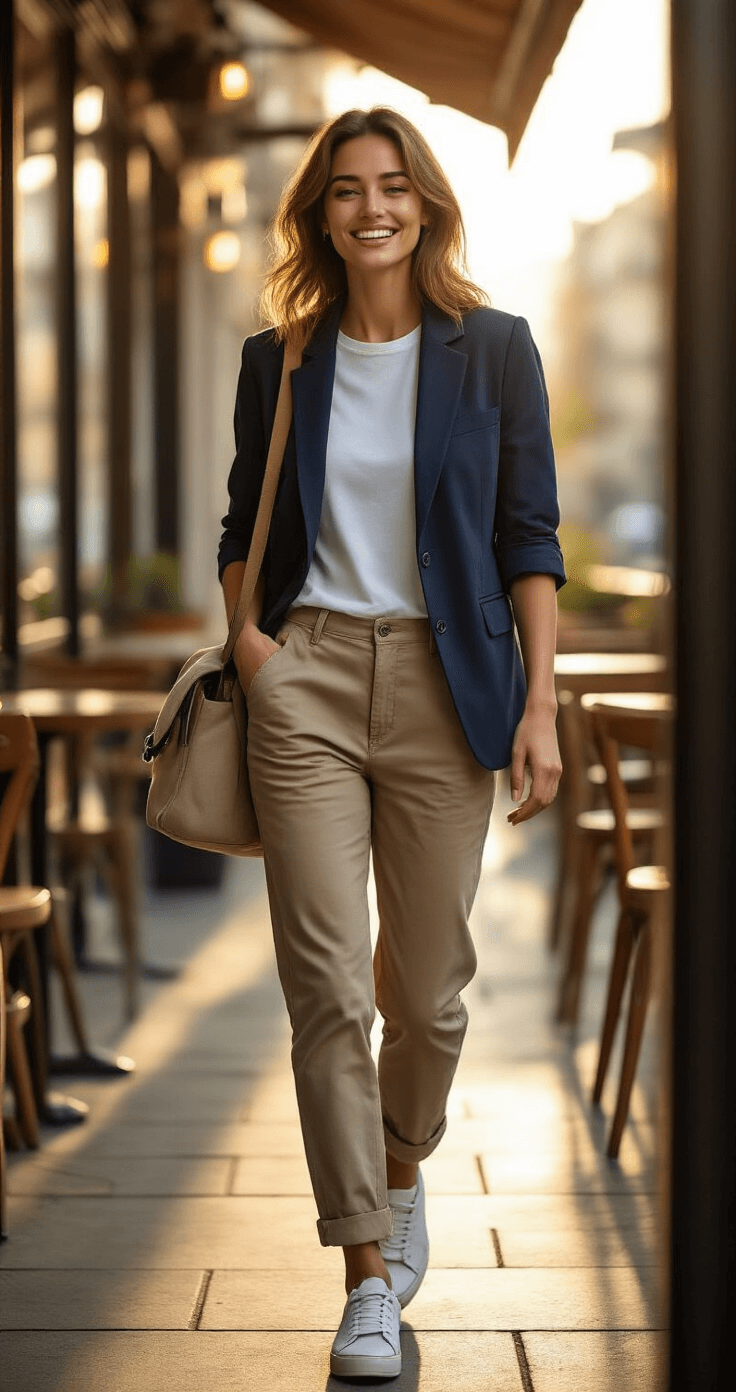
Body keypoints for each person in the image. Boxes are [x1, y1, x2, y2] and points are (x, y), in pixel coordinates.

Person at [218, 106, 565, 1380]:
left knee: (424, 994)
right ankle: (365, 1272)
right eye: (348, 190)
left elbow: (529, 534)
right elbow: (240, 523)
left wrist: (536, 704)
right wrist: (250, 645)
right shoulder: (283, 359)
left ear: (425, 203)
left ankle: (401, 1168)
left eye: (394, 185)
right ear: (320, 212)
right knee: (325, 988)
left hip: (443, 681)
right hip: (302, 676)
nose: (373, 207)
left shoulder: (497, 352)